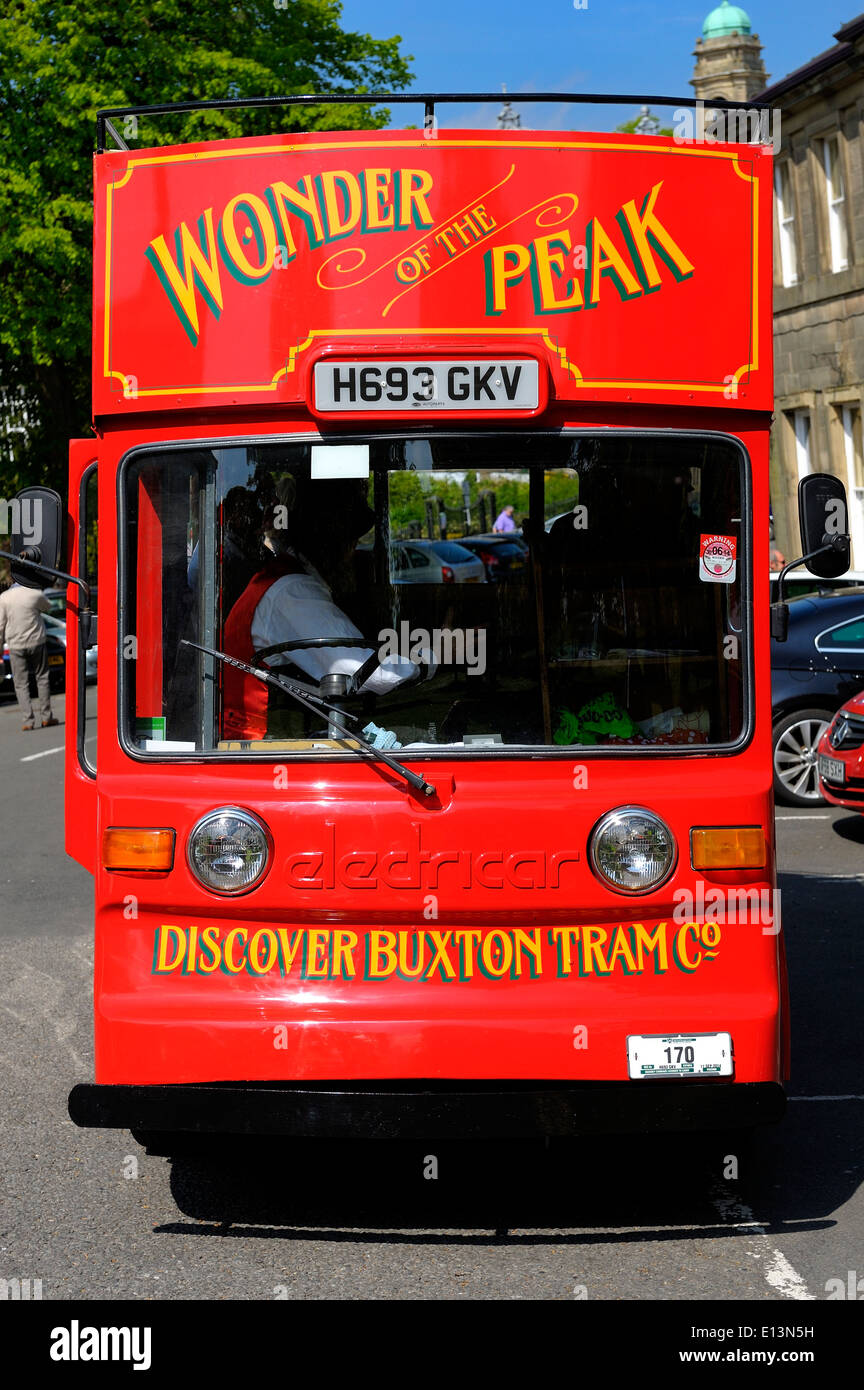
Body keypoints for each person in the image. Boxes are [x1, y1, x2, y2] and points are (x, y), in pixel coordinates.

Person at [222, 474, 425, 740]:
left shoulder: (284, 581)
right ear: (326, 537)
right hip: (258, 751)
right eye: (349, 536)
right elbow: (370, 674)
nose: (353, 550)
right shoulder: (293, 591)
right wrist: (432, 657)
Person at [0, 582, 59, 731]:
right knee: (42, 678)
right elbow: (48, 606)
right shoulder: (34, 593)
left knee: (20, 683)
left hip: (15, 644)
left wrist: (0, 648)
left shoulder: (4, 597)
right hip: (36, 641)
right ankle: (46, 717)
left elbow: (1, 625)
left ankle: (28, 720)